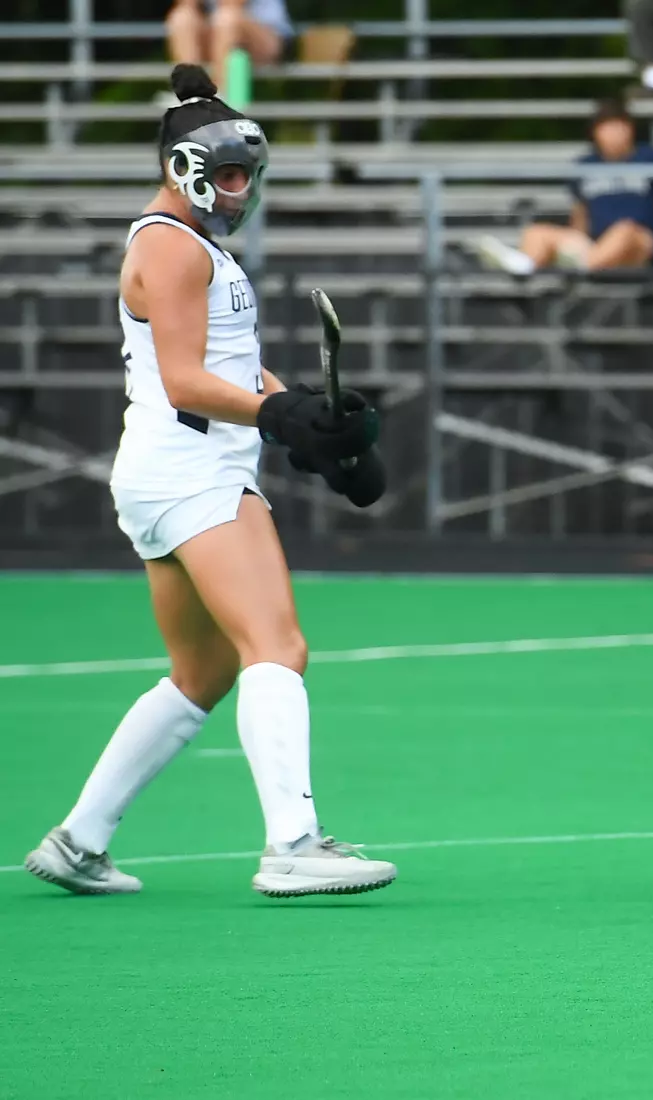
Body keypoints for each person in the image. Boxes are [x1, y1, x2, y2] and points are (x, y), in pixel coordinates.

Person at [21, 66, 397, 900]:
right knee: (279, 647)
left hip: (165, 476)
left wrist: (304, 415)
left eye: (247, 175)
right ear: (183, 167)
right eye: (226, 174)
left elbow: (232, 367)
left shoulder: (192, 246)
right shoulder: (166, 245)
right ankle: (293, 844)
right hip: (197, 476)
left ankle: (80, 841)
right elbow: (187, 379)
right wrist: (277, 421)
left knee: (202, 672)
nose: (239, 189)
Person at [470, 100, 653, 276]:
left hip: (643, 245)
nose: (614, 134)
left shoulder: (651, 159)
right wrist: (573, 241)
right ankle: (524, 265)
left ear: (630, 129)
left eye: (619, 126)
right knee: (536, 232)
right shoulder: (585, 166)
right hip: (597, 243)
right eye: (607, 127)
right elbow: (581, 216)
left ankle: (583, 265)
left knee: (625, 230)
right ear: (595, 133)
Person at [166, 0, 293, 94]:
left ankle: (217, 94)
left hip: (268, 41)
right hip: (219, 37)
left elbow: (233, 3)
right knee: (182, 17)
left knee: (227, 18)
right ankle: (188, 93)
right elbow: (186, 4)